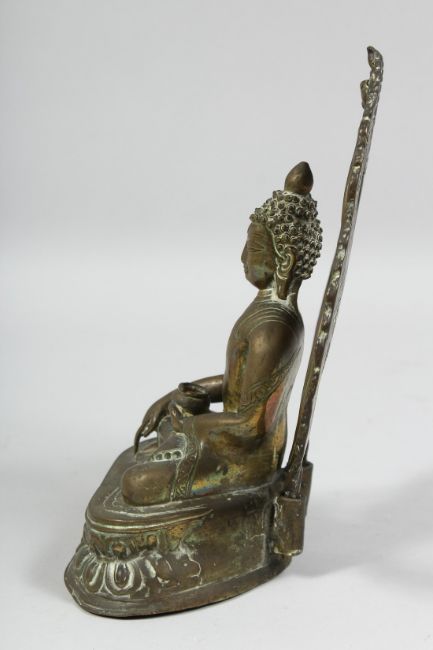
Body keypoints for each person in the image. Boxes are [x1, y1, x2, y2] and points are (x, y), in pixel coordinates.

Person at [122, 162, 322, 505]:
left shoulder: (275, 328)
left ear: (285, 261)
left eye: (253, 248)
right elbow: (236, 384)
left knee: (136, 483)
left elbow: (250, 427)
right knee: (166, 425)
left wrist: (190, 424)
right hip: (227, 437)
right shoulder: (263, 313)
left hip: (246, 458)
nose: (243, 257)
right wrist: (177, 396)